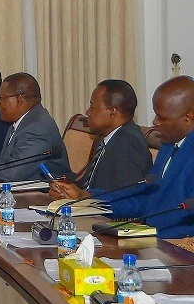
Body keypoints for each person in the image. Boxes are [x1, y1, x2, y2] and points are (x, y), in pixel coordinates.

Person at [56, 76, 194, 239]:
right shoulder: (169, 143)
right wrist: (88, 197)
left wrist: (150, 237)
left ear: (188, 118)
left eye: (162, 118)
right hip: (150, 241)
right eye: (156, 115)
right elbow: (144, 201)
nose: (154, 122)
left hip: (177, 249)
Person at [0, 72, 72, 181]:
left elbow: (11, 173)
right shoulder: (22, 121)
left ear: (18, 100)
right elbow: (4, 164)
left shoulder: (36, 128)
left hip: (43, 196)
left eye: (1, 99)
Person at [50, 80, 152, 200]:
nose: (87, 112)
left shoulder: (129, 144)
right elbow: (88, 185)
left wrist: (83, 197)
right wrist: (65, 189)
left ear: (112, 112)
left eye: (92, 107)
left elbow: (127, 198)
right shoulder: (105, 137)